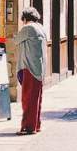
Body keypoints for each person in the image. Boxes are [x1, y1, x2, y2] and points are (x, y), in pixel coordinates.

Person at [14, 7, 47, 135]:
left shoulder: (28, 28)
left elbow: (16, 40)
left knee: (27, 99)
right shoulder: (41, 28)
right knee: (36, 99)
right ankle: (36, 125)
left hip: (29, 68)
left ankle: (28, 127)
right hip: (40, 68)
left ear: (25, 18)